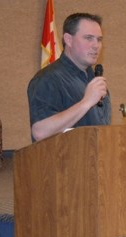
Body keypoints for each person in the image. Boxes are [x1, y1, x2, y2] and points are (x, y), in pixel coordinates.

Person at [27, 13, 110, 142]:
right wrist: (86, 102)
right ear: (68, 40)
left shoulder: (94, 81)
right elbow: (40, 132)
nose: (96, 45)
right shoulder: (48, 79)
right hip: (63, 161)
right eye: (89, 38)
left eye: (99, 39)